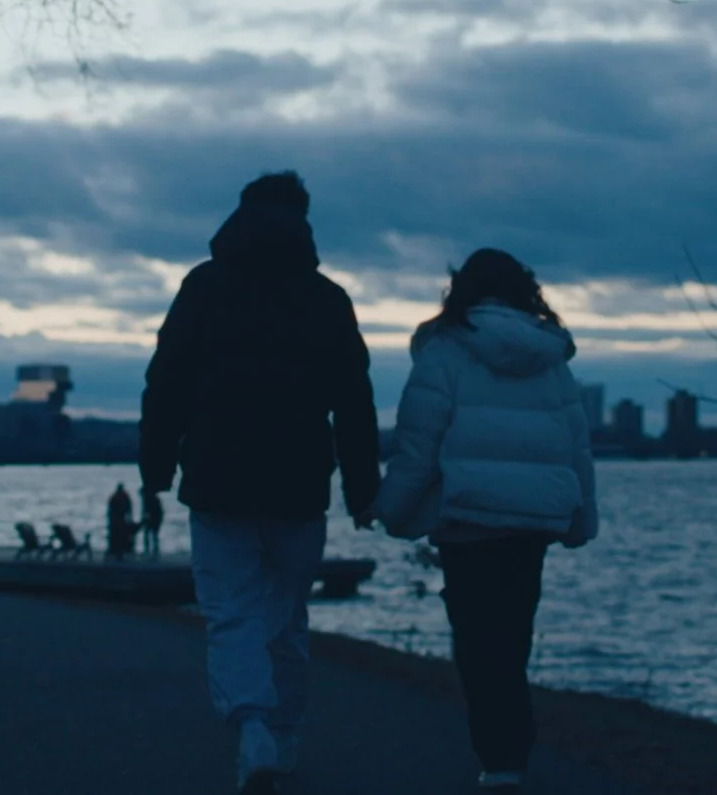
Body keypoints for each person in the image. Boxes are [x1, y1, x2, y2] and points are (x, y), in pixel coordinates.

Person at [140, 171, 380, 795]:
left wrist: (155, 467)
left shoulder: (203, 286)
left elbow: (166, 381)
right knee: (287, 614)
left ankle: (252, 728)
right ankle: (285, 731)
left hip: (217, 478)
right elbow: (354, 401)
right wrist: (362, 488)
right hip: (299, 481)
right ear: (303, 221)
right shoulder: (327, 298)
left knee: (231, 612)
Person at [372, 248, 598, 793]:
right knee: (513, 635)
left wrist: (392, 510)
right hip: (532, 520)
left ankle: (499, 759)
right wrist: (581, 520)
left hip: (469, 518)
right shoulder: (550, 357)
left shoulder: (444, 350)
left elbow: (418, 445)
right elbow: (576, 447)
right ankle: (510, 753)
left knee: (478, 640)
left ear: (461, 290)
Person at [105, 482, 136, 562]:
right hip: (117, 520)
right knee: (117, 537)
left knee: (120, 537)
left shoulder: (120, 497)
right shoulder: (118, 497)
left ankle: (119, 552)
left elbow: (128, 508)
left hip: (119, 520)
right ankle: (117, 552)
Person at [140, 483, 166, 559]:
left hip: (154, 520)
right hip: (154, 520)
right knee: (152, 536)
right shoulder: (150, 499)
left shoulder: (149, 500)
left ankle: (152, 551)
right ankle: (152, 551)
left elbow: (151, 512)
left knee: (151, 535)